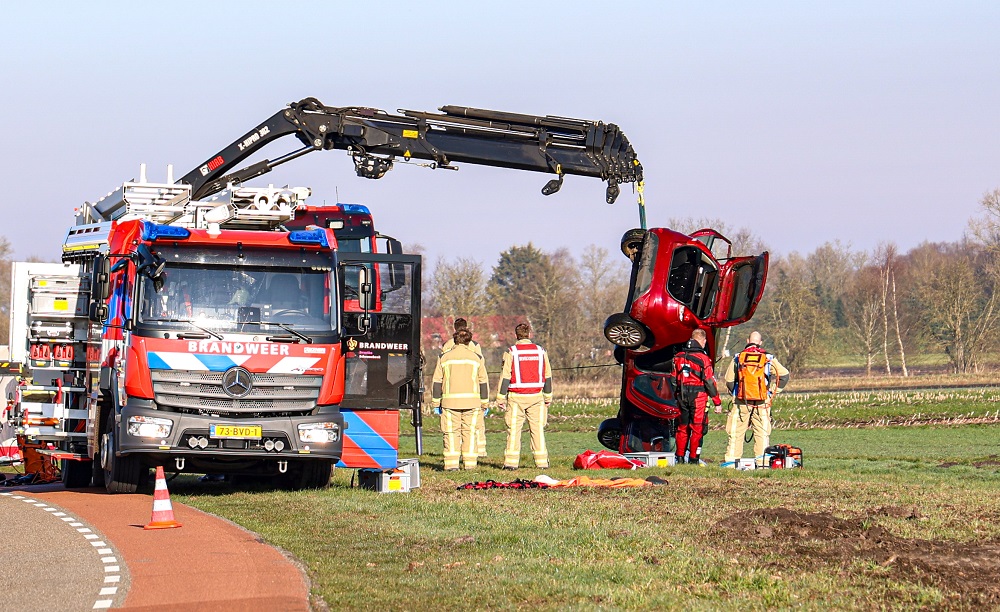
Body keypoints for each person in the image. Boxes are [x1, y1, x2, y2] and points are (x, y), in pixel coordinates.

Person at [721, 331, 790, 467]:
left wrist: (736, 393)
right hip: (762, 402)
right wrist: (771, 393)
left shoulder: (738, 357)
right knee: (762, 432)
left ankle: (731, 462)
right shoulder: (768, 358)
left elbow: (729, 380)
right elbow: (784, 375)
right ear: (761, 343)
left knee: (736, 432)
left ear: (748, 341)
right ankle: (762, 462)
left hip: (742, 400)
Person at [496, 323, 553, 470]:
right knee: (538, 430)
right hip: (536, 396)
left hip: (516, 397)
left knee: (514, 430)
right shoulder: (541, 351)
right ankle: (542, 463)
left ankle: (510, 463)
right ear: (530, 334)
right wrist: (548, 397)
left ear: (516, 335)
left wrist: (500, 397)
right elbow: (547, 376)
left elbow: (505, 376)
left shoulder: (511, 352)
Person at [432, 329, 489, 471]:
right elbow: (483, 382)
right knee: (470, 432)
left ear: (454, 340)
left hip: (450, 403)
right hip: (473, 402)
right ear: (469, 341)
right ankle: (470, 464)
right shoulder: (477, 358)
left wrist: (435, 402)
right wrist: (485, 402)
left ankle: (451, 465)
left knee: (451, 433)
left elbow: (437, 381)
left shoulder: (444, 357)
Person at [671, 329, 722, 465]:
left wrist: (677, 395)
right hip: (698, 396)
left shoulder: (678, 356)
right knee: (697, 427)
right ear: (703, 341)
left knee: (682, 427)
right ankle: (694, 459)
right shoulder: (703, 359)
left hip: (681, 395)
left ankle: (680, 458)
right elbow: (709, 382)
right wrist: (717, 402)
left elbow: (673, 380)